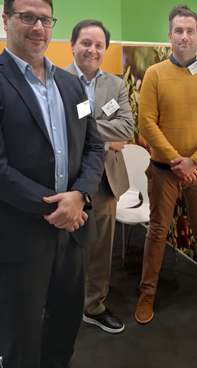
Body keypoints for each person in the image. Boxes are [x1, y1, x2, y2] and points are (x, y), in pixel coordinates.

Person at [0, 0, 105, 367]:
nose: (38, 27)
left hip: (72, 232)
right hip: (17, 232)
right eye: (27, 17)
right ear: (6, 20)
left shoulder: (72, 85)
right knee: (19, 337)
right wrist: (58, 207)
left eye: (45, 20)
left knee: (64, 326)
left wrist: (80, 196)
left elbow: (93, 147)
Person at [135, 4, 197, 324]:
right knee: (157, 231)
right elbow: (147, 123)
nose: (184, 36)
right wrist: (178, 161)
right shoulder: (154, 73)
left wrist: (195, 161)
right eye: (179, 30)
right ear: (169, 36)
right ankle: (147, 293)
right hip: (164, 170)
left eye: (190, 31)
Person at [63, 19, 134, 334]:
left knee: (101, 247)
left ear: (105, 49)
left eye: (99, 45)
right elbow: (59, 128)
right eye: (86, 43)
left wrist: (85, 128)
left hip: (105, 179)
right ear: (72, 45)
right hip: (66, 178)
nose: (92, 50)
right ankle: (63, 302)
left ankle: (93, 306)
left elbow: (127, 127)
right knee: (63, 244)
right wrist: (105, 139)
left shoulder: (115, 85)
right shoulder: (56, 80)